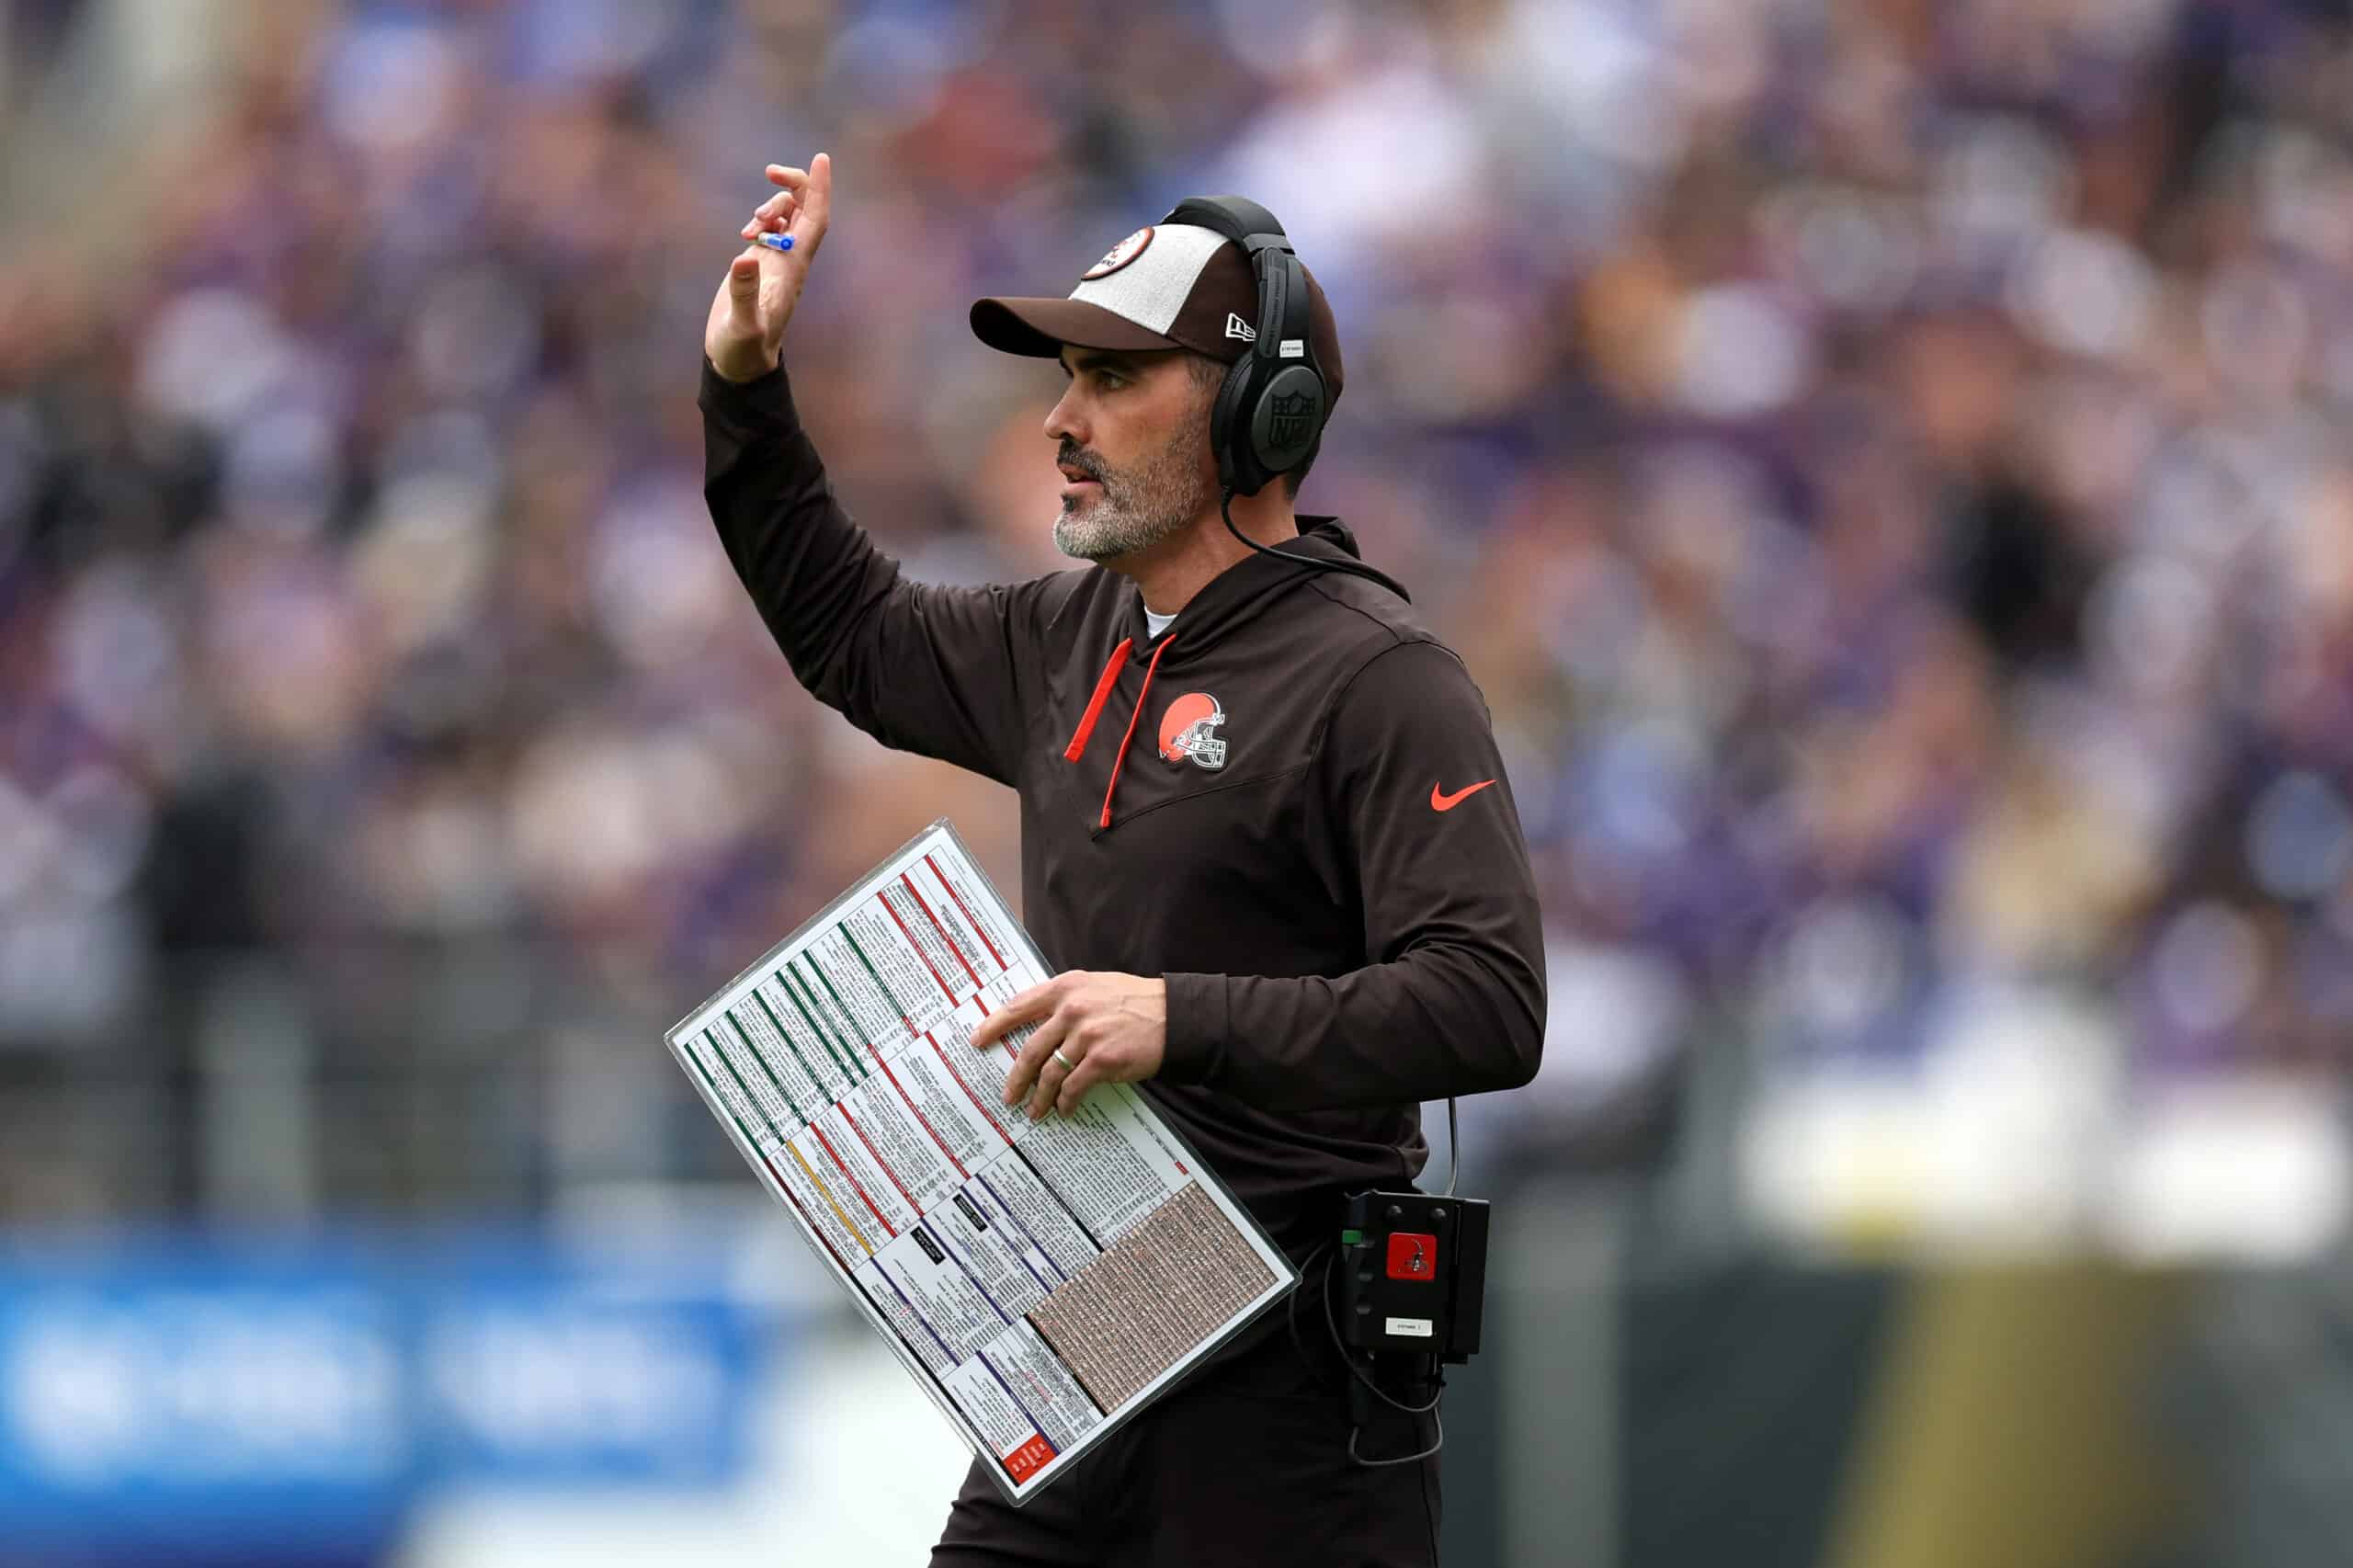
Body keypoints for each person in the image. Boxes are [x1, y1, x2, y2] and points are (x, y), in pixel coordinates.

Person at [701, 153, 1544, 1568]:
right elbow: (847, 632)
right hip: (1104, 1306)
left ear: (1254, 407)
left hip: (1294, 1356)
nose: (1061, 420)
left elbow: (1489, 1001)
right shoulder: (1069, 637)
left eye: (1109, 378)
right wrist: (746, 382)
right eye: (1065, 378)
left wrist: (1178, 1015)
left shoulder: (1384, 677)